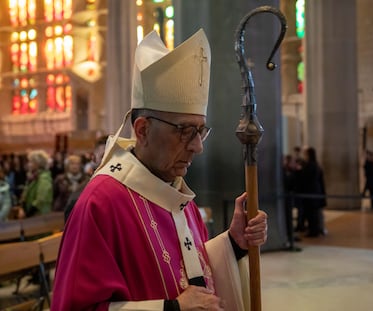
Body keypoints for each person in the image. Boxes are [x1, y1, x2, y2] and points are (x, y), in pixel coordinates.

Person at [51, 29, 268, 311]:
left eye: (201, 131)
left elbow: (188, 272)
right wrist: (171, 309)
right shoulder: (100, 203)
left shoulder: (173, 190)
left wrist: (233, 243)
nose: (197, 147)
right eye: (185, 131)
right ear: (142, 130)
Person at [63, 135, 108, 221]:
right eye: (103, 156)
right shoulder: (80, 196)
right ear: (94, 159)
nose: (110, 161)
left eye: (114, 156)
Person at [296, 146, 326, 237]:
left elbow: (307, 178)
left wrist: (299, 171)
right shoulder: (314, 164)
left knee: (312, 214)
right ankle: (314, 229)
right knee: (312, 213)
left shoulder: (311, 165)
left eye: (305, 154)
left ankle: (314, 231)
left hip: (311, 193)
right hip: (315, 192)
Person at [19, 150, 53, 218]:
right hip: (32, 215)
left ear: (38, 163)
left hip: (40, 216)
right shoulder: (33, 176)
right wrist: (23, 207)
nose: (28, 164)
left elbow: (41, 199)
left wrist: (28, 213)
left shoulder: (44, 178)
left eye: (31, 162)